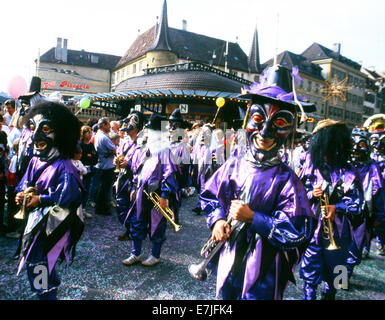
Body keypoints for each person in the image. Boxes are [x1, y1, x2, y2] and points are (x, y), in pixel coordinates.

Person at [198, 65, 316, 300]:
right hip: (229, 254)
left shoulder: (289, 181)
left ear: (290, 129)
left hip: (264, 267)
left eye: (279, 123)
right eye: (258, 119)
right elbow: (211, 195)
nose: (264, 131)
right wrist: (218, 219)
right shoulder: (234, 164)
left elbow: (298, 231)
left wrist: (254, 218)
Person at [14, 101, 84, 300]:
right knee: (37, 262)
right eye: (33, 128)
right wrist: (23, 194)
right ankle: (45, 292)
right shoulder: (36, 160)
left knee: (39, 262)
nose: (37, 136)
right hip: (36, 222)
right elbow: (26, 182)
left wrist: (41, 199)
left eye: (45, 129)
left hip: (53, 225)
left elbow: (70, 196)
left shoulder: (65, 166)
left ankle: (46, 295)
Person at [299, 119, 365, 300]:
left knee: (338, 272)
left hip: (340, 233)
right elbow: (295, 195)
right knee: (310, 272)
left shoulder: (349, 171)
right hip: (314, 230)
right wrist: (311, 193)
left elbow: (359, 204)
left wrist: (338, 207)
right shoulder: (310, 167)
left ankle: (331, 296)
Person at [122, 113, 179, 267]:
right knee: (137, 221)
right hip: (140, 191)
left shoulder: (165, 151)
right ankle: (136, 253)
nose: (147, 133)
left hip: (157, 193)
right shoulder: (142, 148)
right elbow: (136, 169)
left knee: (157, 224)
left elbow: (169, 174)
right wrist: (134, 185)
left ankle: (155, 255)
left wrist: (165, 195)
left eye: (150, 131)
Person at [345, 127, 385, 278]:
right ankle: (337, 282)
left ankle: (342, 279)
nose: (355, 148)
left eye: (360, 144)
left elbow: (379, 192)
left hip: (361, 215)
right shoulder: (343, 163)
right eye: (352, 143)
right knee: (340, 250)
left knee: (354, 248)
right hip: (341, 213)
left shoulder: (372, 167)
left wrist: (379, 216)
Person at [114, 111, 145, 241]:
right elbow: (120, 155)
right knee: (120, 205)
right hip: (122, 177)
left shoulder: (143, 143)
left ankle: (132, 232)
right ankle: (128, 228)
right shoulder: (125, 142)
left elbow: (145, 164)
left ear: (136, 128)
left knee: (133, 206)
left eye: (129, 129)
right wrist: (117, 161)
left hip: (134, 180)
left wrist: (130, 164)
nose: (126, 132)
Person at [85, 117, 116, 216]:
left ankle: (100, 208)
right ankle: (102, 209)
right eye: (108, 124)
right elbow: (114, 149)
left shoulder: (99, 135)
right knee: (104, 189)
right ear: (103, 125)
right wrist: (112, 150)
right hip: (106, 166)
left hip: (102, 164)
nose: (109, 127)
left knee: (102, 188)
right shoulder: (103, 136)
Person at [79, 125, 98, 219]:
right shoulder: (80, 145)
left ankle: (83, 209)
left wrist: (91, 156)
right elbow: (80, 157)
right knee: (80, 190)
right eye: (88, 132)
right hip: (80, 171)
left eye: (91, 132)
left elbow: (95, 157)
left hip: (89, 170)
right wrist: (88, 156)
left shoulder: (90, 145)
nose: (90, 134)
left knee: (86, 190)